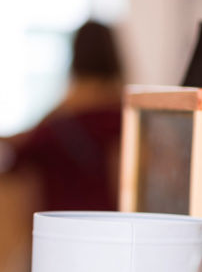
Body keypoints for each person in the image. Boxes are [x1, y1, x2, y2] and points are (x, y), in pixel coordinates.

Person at [7, 19, 125, 211]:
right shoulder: (126, 117)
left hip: (59, 230)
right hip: (112, 227)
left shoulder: (57, 120)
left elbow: (18, 158)